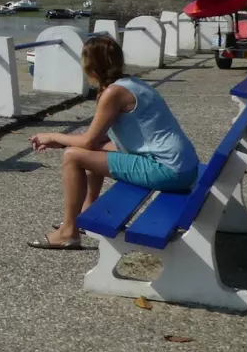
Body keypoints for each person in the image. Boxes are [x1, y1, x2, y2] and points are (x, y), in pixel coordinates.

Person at [25, 35, 198, 250]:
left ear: (90, 66)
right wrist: (68, 142)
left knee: (73, 156)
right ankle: (86, 215)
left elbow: (87, 141)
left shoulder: (113, 93)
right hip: (183, 166)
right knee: (88, 150)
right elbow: (96, 142)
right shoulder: (133, 84)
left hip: (169, 170)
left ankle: (68, 232)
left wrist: (53, 137)